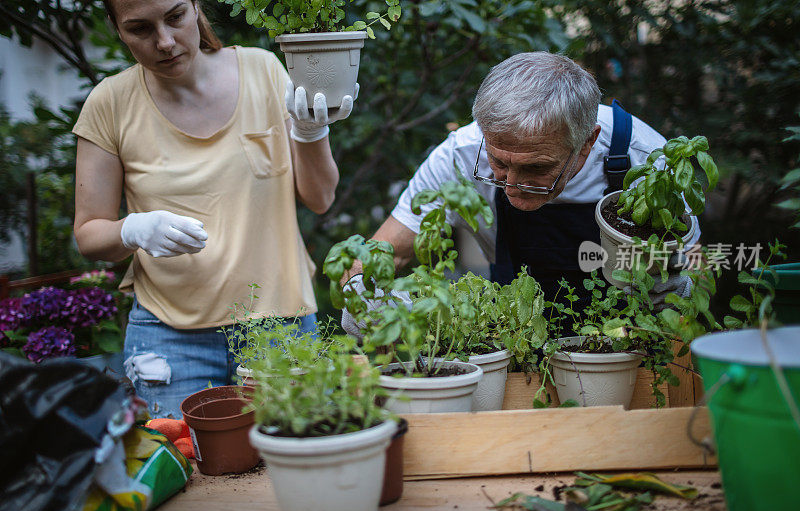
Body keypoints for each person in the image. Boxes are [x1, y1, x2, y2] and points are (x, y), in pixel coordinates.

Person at [72, 0, 353, 418]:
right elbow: (88, 233)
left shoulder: (265, 71)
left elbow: (320, 198)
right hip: (169, 339)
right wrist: (132, 229)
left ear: (196, 6)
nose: (165, 42)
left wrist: (311, 132)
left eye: (175, 17)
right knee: (179, 470)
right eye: (140, 29)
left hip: (281, 325)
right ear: (117, 28)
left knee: (293, 467)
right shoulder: (110, 103)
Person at [342, 52, 699, 336]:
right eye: (498, 162)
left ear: (587, 143)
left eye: (536, 168)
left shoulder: (646, 161)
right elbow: (385, 252)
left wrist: (678, 290)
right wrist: (360, 292)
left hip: (625, 342)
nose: (511, 184)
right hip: (516, 336)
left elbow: (696, 265)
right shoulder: (460, 154)